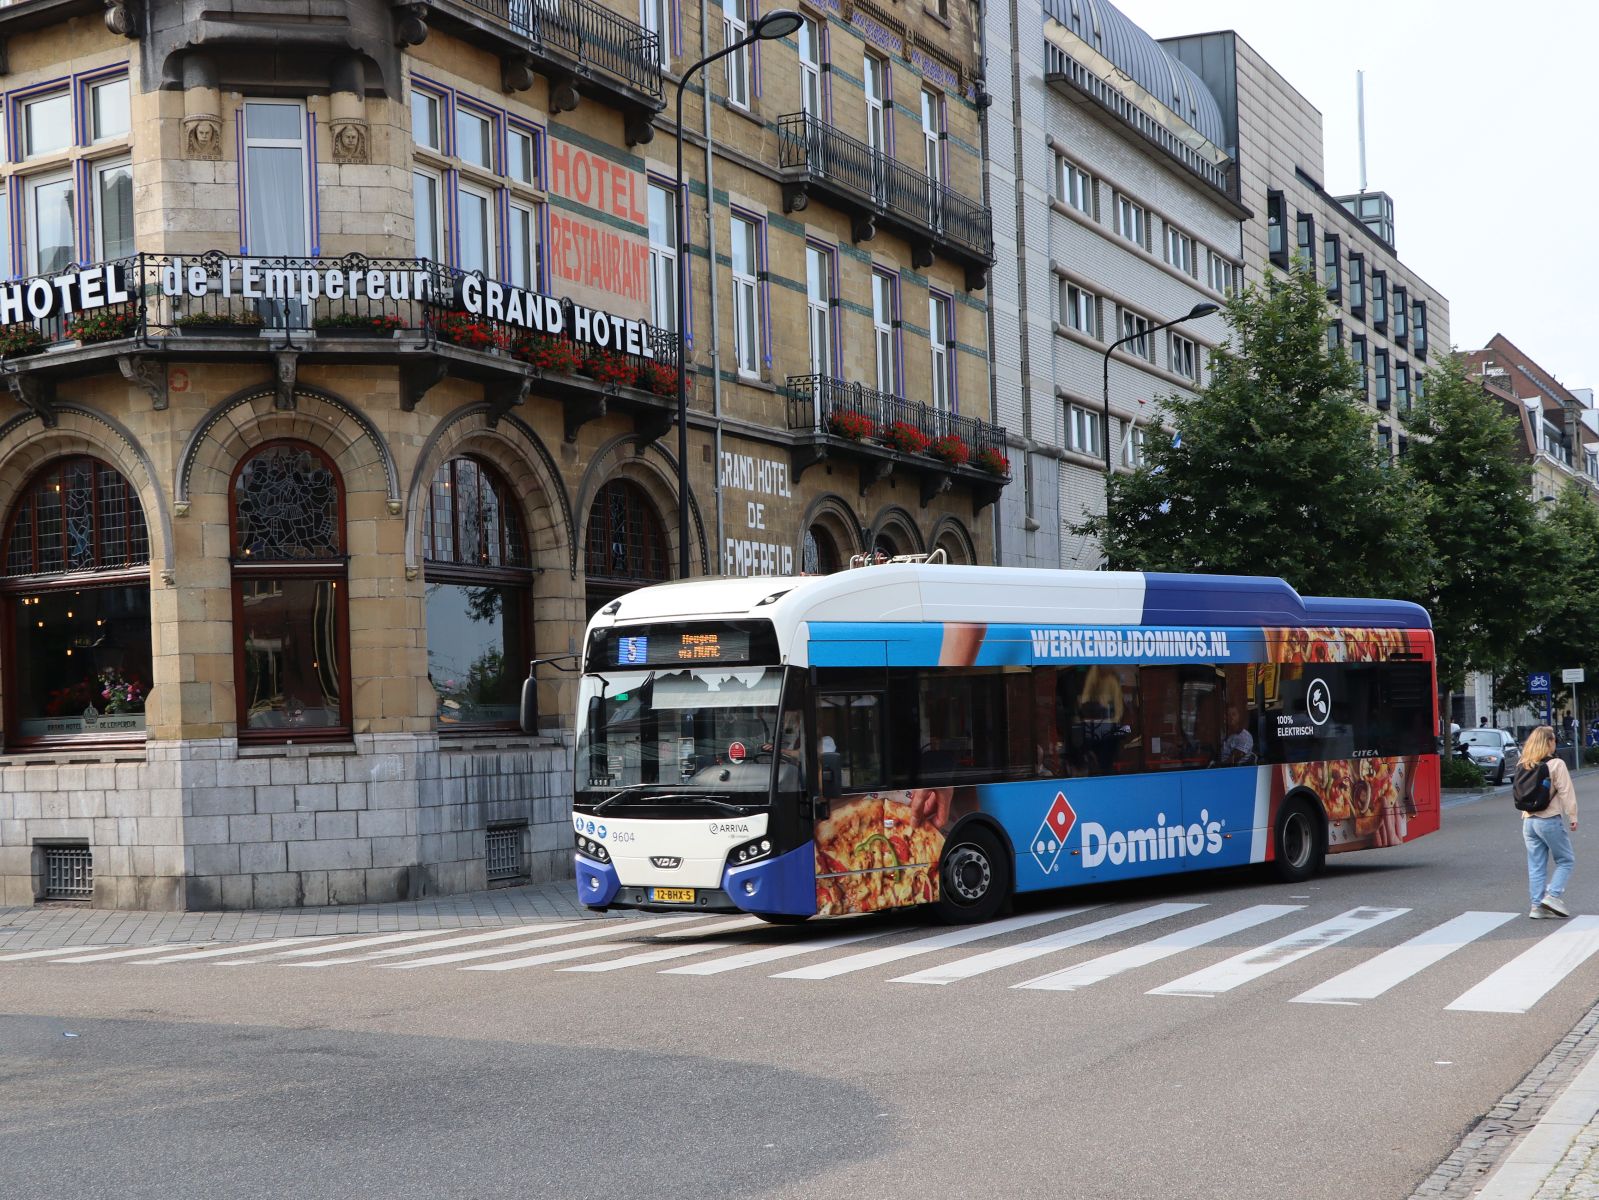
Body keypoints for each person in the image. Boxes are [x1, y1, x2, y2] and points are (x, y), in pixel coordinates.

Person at [1517, 725, 1578, 919]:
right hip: (1549, 819)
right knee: (1566, 860)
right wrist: (1573, 816)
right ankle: (1552, 896)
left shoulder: (1524, 762)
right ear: (1549, 742)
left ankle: (1536, 906)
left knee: (1536, 864)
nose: (1555, 743)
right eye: (1554, 740)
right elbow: (1566, 791)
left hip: (1528, 820)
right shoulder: (1556, 764)